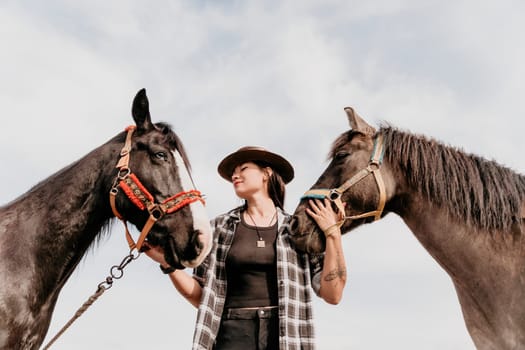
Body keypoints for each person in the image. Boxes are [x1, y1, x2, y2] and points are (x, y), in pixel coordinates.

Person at [144, 146, 347, 350]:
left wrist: (332, 234)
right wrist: (167, 263)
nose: (235, 175)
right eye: (233, 171)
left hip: (285, 337)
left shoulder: (297, 230)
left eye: (244, 168)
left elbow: (333, 294)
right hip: (231, 336)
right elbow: (200, 297)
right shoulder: (218, 228)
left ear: (266, 173)